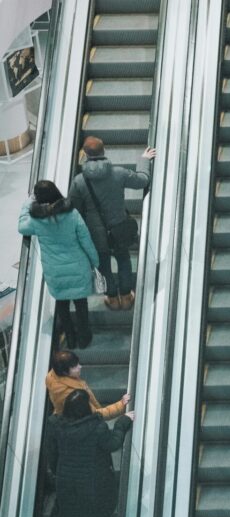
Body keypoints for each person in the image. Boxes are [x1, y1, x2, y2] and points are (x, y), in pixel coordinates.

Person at [67, 136, 154, 311]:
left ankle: (112, 298)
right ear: (103, 151)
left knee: (103, 264)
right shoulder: (118, 173)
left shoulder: (79, 181)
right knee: (123, 259)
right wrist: (143, 160)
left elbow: (73, 209)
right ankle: (127, 296)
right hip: (119, 228)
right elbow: (143, 180)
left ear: (85, 154)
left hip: (94, 233)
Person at [44, 389, 133, 517]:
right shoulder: (97, 427)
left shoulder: (57, 427)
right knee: (101, 514)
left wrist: (59, 471)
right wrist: (122, 422)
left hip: (68, 482)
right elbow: (113, 444)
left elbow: (52, 453)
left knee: (78, 516)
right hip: (95, 481)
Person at [17, 181, 100, 349]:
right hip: (78, 266)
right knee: (81, 304)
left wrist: (28, 203)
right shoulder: (72, 214)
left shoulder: (36, 220)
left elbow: (21, 227)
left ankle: (70, 337)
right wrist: (94, 261)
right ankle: (84, 338)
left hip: (54, 271)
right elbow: (86, 240)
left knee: (62, 305)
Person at [46, 350, 129, 418]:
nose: (80, 366)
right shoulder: (72, 396)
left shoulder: (54, 376)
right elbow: (96, 415)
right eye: (75, 366)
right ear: (64, 372)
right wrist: (121, 405)